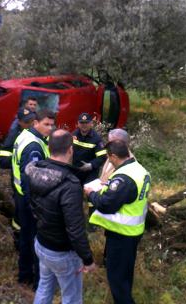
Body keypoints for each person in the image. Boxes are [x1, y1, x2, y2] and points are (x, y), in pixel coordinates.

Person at [25, 129, 96, 304]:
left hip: (41, 243)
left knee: (44, 286)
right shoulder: (70, 185)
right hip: (62, 253)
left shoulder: (34, 171)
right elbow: (75, 229)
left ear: (49, 148)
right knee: (72, 298)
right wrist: (88, 259)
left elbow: (33, 205)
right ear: (70, 150)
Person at [84, 140, 151, 304]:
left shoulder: (123, 178)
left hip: (122, 235)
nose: (108, 160)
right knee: (125, 274)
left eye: (108, 157)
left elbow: (106, 205)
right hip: (133, 232)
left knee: (117, 280)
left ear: (113, 156)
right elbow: (126, 196)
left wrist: (91, 193)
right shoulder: (139, 169)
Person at [12, 109, 55, 288]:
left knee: (25, 237)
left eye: (52, 124)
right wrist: (35, 207)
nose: (50, 128)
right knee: (35, 242)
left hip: (22, 198)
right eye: (46, 124)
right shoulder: (34, 146)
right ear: (35, 123)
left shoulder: (25, 135)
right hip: (30, 201)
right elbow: (29, 179)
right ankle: (38, 283)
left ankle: (24, 276)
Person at [0, 108, 36, 237]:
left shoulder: (36, 133)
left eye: (32, 119)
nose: (31, 123)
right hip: (20, 185)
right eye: (27, 121)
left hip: (33, 183)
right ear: (19, 122)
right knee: (20, 216)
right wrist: (19, 158)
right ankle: (18, 238)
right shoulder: (14, 135)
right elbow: (3, 160)